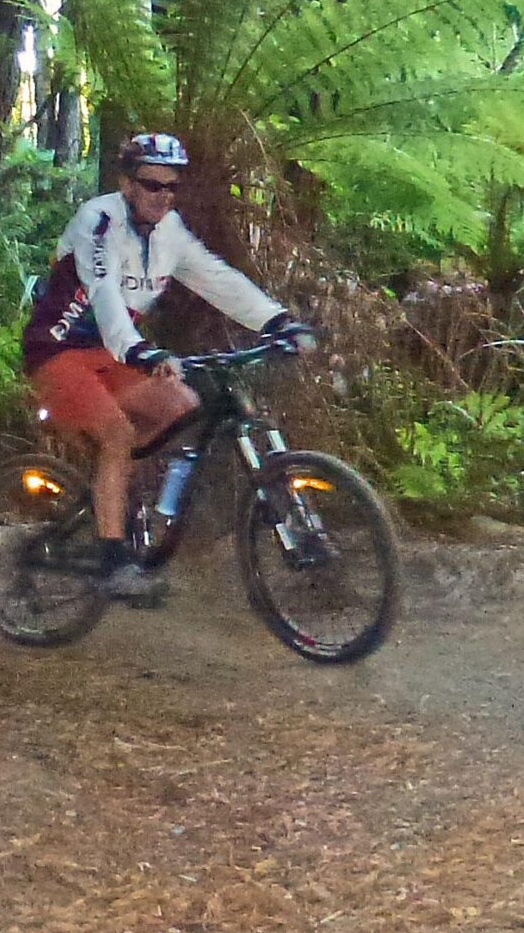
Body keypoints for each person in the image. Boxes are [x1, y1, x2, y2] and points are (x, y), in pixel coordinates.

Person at [22, 132, 317, 602]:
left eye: (170, 186)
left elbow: (217, 279)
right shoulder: (98, 220)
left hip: (112, 355)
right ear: (127, 184)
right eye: (151, 184)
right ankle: (112, 557)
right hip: (57, 352)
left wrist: (277, 321)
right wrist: (144, 352)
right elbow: (105, 296)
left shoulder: (169, 232)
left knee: (182, 405)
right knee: (118, 434)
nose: (162, 195)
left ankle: (114, 496)